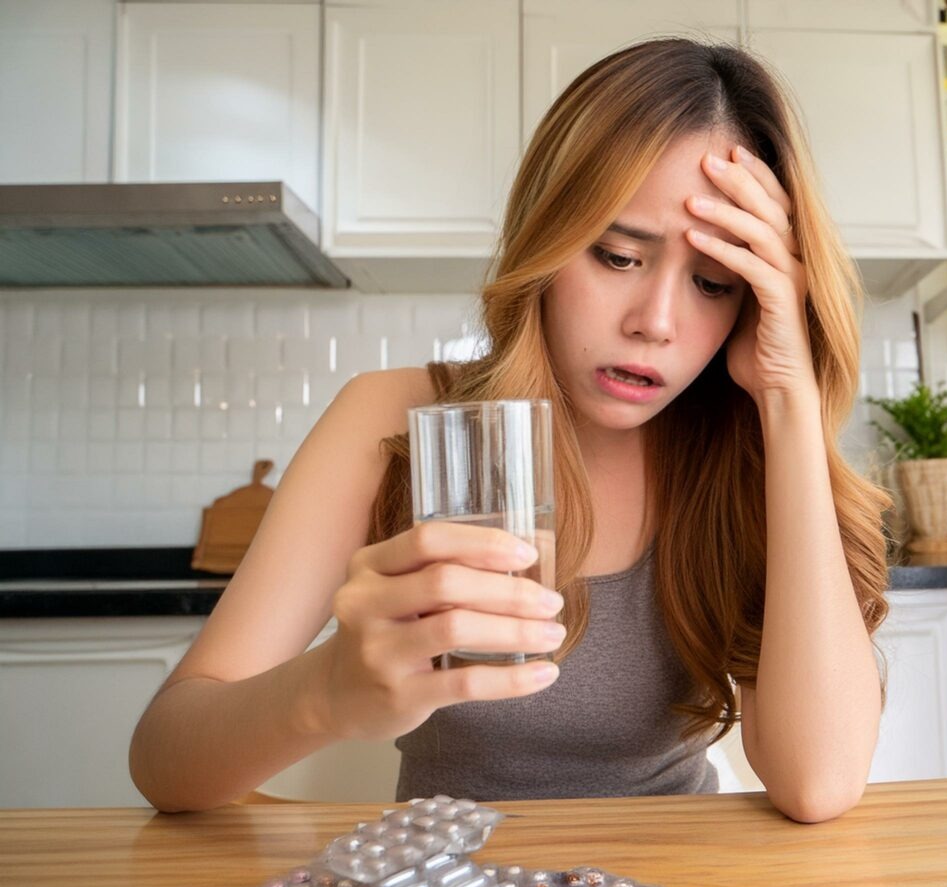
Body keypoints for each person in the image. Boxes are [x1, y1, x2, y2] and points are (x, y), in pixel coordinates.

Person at [129, 37, 890, 822]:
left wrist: (790, 398)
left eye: (712, 283)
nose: (656, 323)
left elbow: (818, 783)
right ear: (547, 236)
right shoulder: (394, 421)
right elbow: (165, 759)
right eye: (618, 255)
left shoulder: (744, 456)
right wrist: (326, 691)